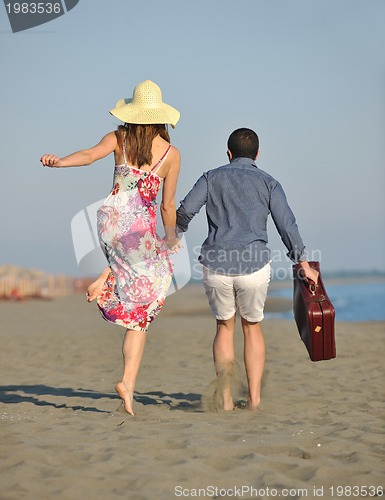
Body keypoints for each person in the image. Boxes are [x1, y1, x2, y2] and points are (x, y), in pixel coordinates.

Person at [41, 80, 181, 415]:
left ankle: (127, 386)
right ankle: (109, 284)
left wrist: (59, 162)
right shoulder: (172, 155)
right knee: (155, 285)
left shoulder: (118, 138)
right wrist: (172, 237)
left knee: (138, 304)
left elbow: (89, 156)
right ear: (160, 116)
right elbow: (167, 206)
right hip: (139, 228)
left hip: (111, 222)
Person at [176, 128, 318, 411]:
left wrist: (176, 233)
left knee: (224, 327)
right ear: (257, 155)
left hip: (216, 264)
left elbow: (185, 210)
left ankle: (226, 401)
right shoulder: (269, 183)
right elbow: (286, 225)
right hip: (254, 267)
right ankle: (254, 401)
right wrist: (302, 261)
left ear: (228, 154)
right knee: (252, 328)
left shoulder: (211, 177)